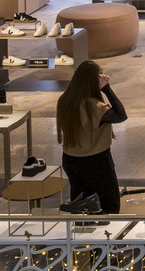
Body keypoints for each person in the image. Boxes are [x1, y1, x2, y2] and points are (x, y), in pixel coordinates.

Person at [55, 60, 128, 214]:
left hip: (70, 160)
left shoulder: (63, 101)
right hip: (96, 162)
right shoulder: (95, 107)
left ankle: (82, 235)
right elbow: (121, 115)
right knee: (109, 205)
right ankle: (107, 237)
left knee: (80, 205)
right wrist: (107, 89)